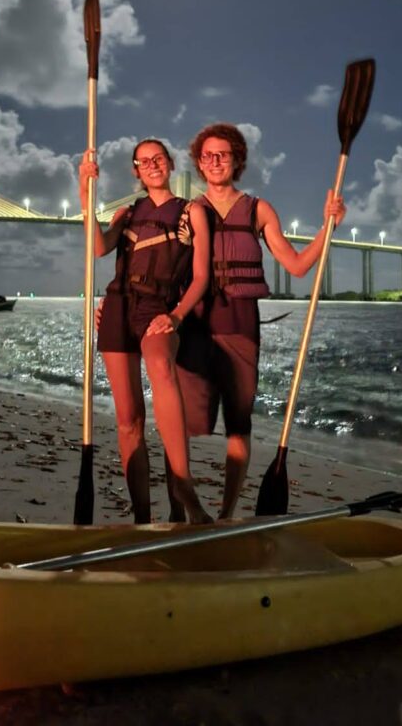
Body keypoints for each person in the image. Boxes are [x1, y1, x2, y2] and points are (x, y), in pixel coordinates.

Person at [155, 123, 346, 521]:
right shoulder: (187, 211)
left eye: (223, 154)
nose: (215, 161)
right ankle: (182, 510)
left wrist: (327, 228)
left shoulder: (259, 210)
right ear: (198, 163)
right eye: (207, 155)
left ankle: (225, 515)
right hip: (194, 327)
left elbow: (295, 266)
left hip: (241, 326)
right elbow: (164, 273)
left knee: (238, 428)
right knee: (184, 427)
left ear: (237, 159)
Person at [79, 138, 212, 525]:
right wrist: (84, 192)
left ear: (170, 164)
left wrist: (177, 316)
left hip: (159, 307)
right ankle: (142, 516)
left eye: (158, 159)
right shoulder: (127, 212)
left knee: (161, 367)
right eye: (143, 162)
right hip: (118, 306)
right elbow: (99, 249)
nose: (152, 165)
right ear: (136, 171)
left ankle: (182, 486)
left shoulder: (192, 213)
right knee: (128, 420)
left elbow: (201, 277)